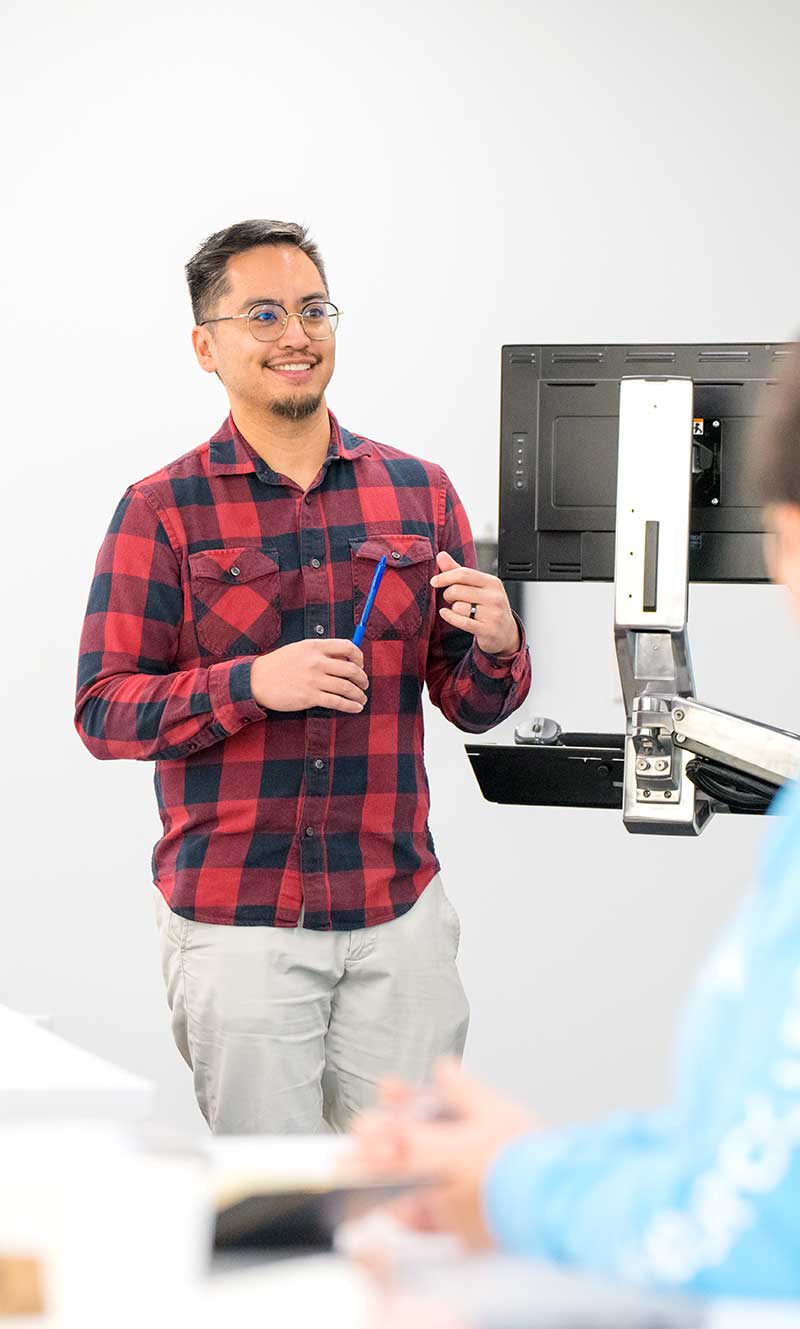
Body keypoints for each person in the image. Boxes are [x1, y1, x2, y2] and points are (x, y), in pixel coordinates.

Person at [353, 347, 800, 1300]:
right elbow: (740, 1146)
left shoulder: (412, 491)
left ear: (784, 541)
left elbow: (745, 1235)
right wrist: (524, 1157)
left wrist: (515, 1182)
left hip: (394, 906)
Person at [74, 219, 530, 1134]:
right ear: (207, 345)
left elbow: (472, 703)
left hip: (396, 911)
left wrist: (498, 646)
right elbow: (103, 710)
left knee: (403, 1198)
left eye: (315, 309)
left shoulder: (419, 490)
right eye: (265, 314)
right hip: (241, 921)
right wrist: (252, 683)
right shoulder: (161, 508)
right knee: (275, 1208)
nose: (297, 334)